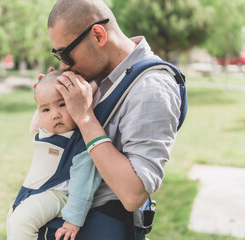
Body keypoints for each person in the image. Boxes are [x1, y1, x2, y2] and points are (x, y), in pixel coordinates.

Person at [37, 0, 183, 239]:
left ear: (98, 34)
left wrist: (85, 118)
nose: (63, 65)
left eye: (65, 53)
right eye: (57, 54)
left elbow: (134, 194)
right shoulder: (101, 76)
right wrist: (50, 105)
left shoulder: (151, 87)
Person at [6, 70, 102, 240]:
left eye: (62, 104)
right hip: (35, 189)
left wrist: (73, 220)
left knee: (22, 221)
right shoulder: (47, 129)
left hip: (58, 193)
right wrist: (45, 86)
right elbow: (43, 104)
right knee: (13, 219)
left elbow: (84, 183)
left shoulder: (81, 139)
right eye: (46, 110)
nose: (55, 114)